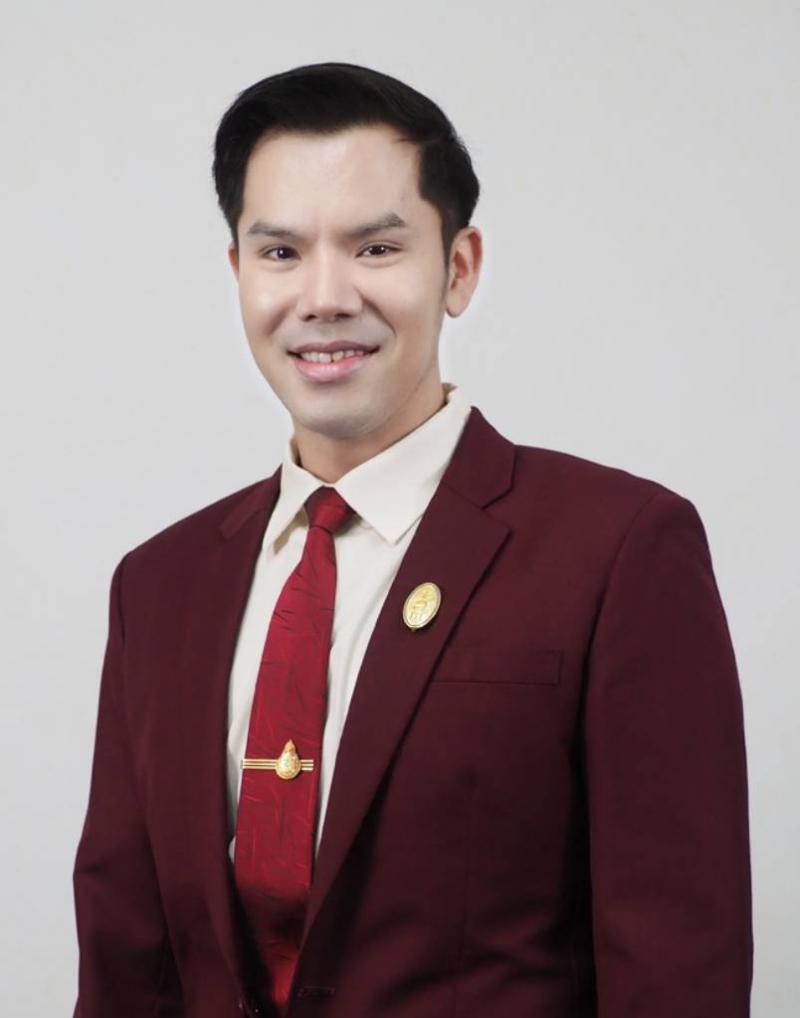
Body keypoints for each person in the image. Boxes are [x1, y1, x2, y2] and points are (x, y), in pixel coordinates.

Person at [72, 62, 752, 1018]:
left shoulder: (617, 550)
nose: (323, 297)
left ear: (459, 268)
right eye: (280, 252)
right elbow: (124, 969)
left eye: (377, 248)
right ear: (237, 274)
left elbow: (677, 972)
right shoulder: (160, 586)